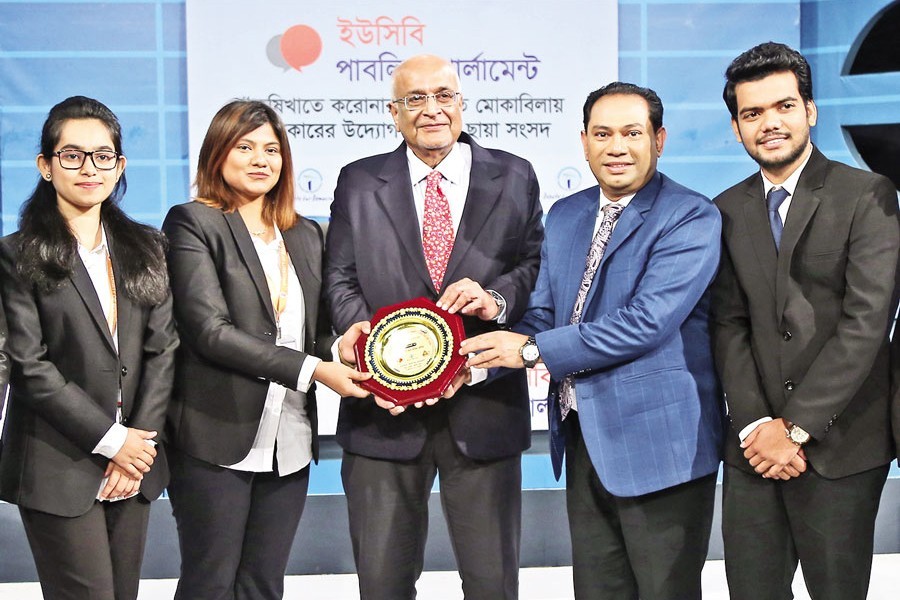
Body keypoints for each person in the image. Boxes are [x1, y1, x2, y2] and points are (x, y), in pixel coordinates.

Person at [461, 82, 724, 599]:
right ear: (583, 142)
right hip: (584, 438)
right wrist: (475, 364)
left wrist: (533, 351)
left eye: (632, 133)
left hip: (659, 446)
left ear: (660, 139)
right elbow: (540, 315)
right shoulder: (565, 214)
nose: (617, 147)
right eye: (603, 134)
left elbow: (646, 321)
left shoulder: (689, 215)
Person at [324, 54, 544, 599]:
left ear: (462, 104)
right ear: (393, 113)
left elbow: (536, 266)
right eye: (414, 99)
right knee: (382, 585)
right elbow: (339, 280)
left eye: (443, 95)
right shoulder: (358, 182)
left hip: (485, 407)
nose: (431, 110)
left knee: (493, 585)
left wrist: (496, 298)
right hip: (382, 416)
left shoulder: (514, 174)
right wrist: (379, 359)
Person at [711, 42, 900, 600]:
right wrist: (755, 428)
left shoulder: (866, 196)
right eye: (753, 113)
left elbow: (867, 324)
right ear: (736, 126)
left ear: (810, 110)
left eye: (784, 106)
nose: (770, 123)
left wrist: (792, 429)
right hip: (753, 451)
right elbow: (728, 324)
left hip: (840, 446)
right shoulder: (723, 209)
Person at [162, 100, 371, 600]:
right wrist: (316, 370)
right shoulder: (192, 223)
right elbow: (209, 331)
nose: (261, 159)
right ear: (218, 153)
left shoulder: (303, 232)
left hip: (289, 440)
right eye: (245, 146)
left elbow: (314, 331)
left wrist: (344, 347)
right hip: (215, 435)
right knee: (209, 582)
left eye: (272, 149)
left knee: (262, 583)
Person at [0, 95, 177, 600]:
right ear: (46, 166)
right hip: (59, 464)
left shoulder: (149, 248)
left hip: (137, 463)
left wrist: (137, 444)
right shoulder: (17, 256)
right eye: (72, 156)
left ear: (119, 166)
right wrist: (111, 441)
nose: (89, 168)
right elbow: (32, 367)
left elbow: (163, 350)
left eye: (102, 156)